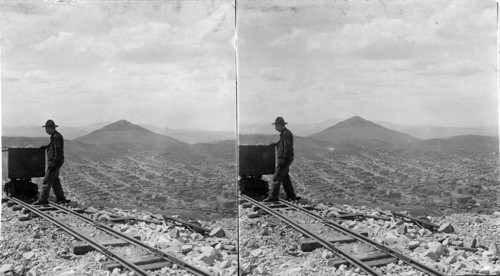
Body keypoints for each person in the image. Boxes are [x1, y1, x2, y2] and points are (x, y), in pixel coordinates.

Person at [263, 117, 300, 202]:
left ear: (280, 125)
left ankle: (272, 197)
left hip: (285, 158)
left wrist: (283, 160)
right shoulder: (284, 133)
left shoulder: (286, 134)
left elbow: (287, 147)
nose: (275, 128)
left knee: (276, 177)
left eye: (276, 126)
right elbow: (283, 143)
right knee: (285, 177)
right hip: (286, 158)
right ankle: (291, 196)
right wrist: (276, 144)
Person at [33, 120, 68, 205]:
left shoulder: (56, 136)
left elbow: (58, 150)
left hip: (54, 161)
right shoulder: (55, 136)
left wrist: (54, 163)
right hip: (56, 161)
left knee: (46, 180)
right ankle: (61, 199)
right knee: (55, 180)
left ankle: (42, 199)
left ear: (51, 128)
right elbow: (53, 146)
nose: (45, 131)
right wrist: (46, 146)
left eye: (47, 128)